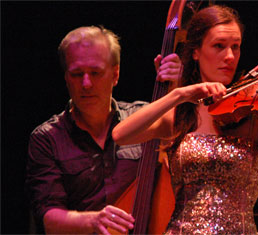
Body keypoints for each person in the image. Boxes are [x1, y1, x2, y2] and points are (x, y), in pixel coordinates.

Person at [112, 5, 258, 234]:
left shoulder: (257, 113)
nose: (229, 56)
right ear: (196, 51)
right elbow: (120, 134)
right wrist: (179, 94)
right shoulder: (181, 114)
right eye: (219, 46)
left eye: (236, 47)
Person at [25, 25, 181, 234]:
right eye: (77, 74)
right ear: (65, 78)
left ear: (115, 74)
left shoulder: (144, 118)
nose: (86, 84)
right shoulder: (47, 138)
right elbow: (49, 218)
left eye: (96, 73)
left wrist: (178, 87)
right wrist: (94, 220)